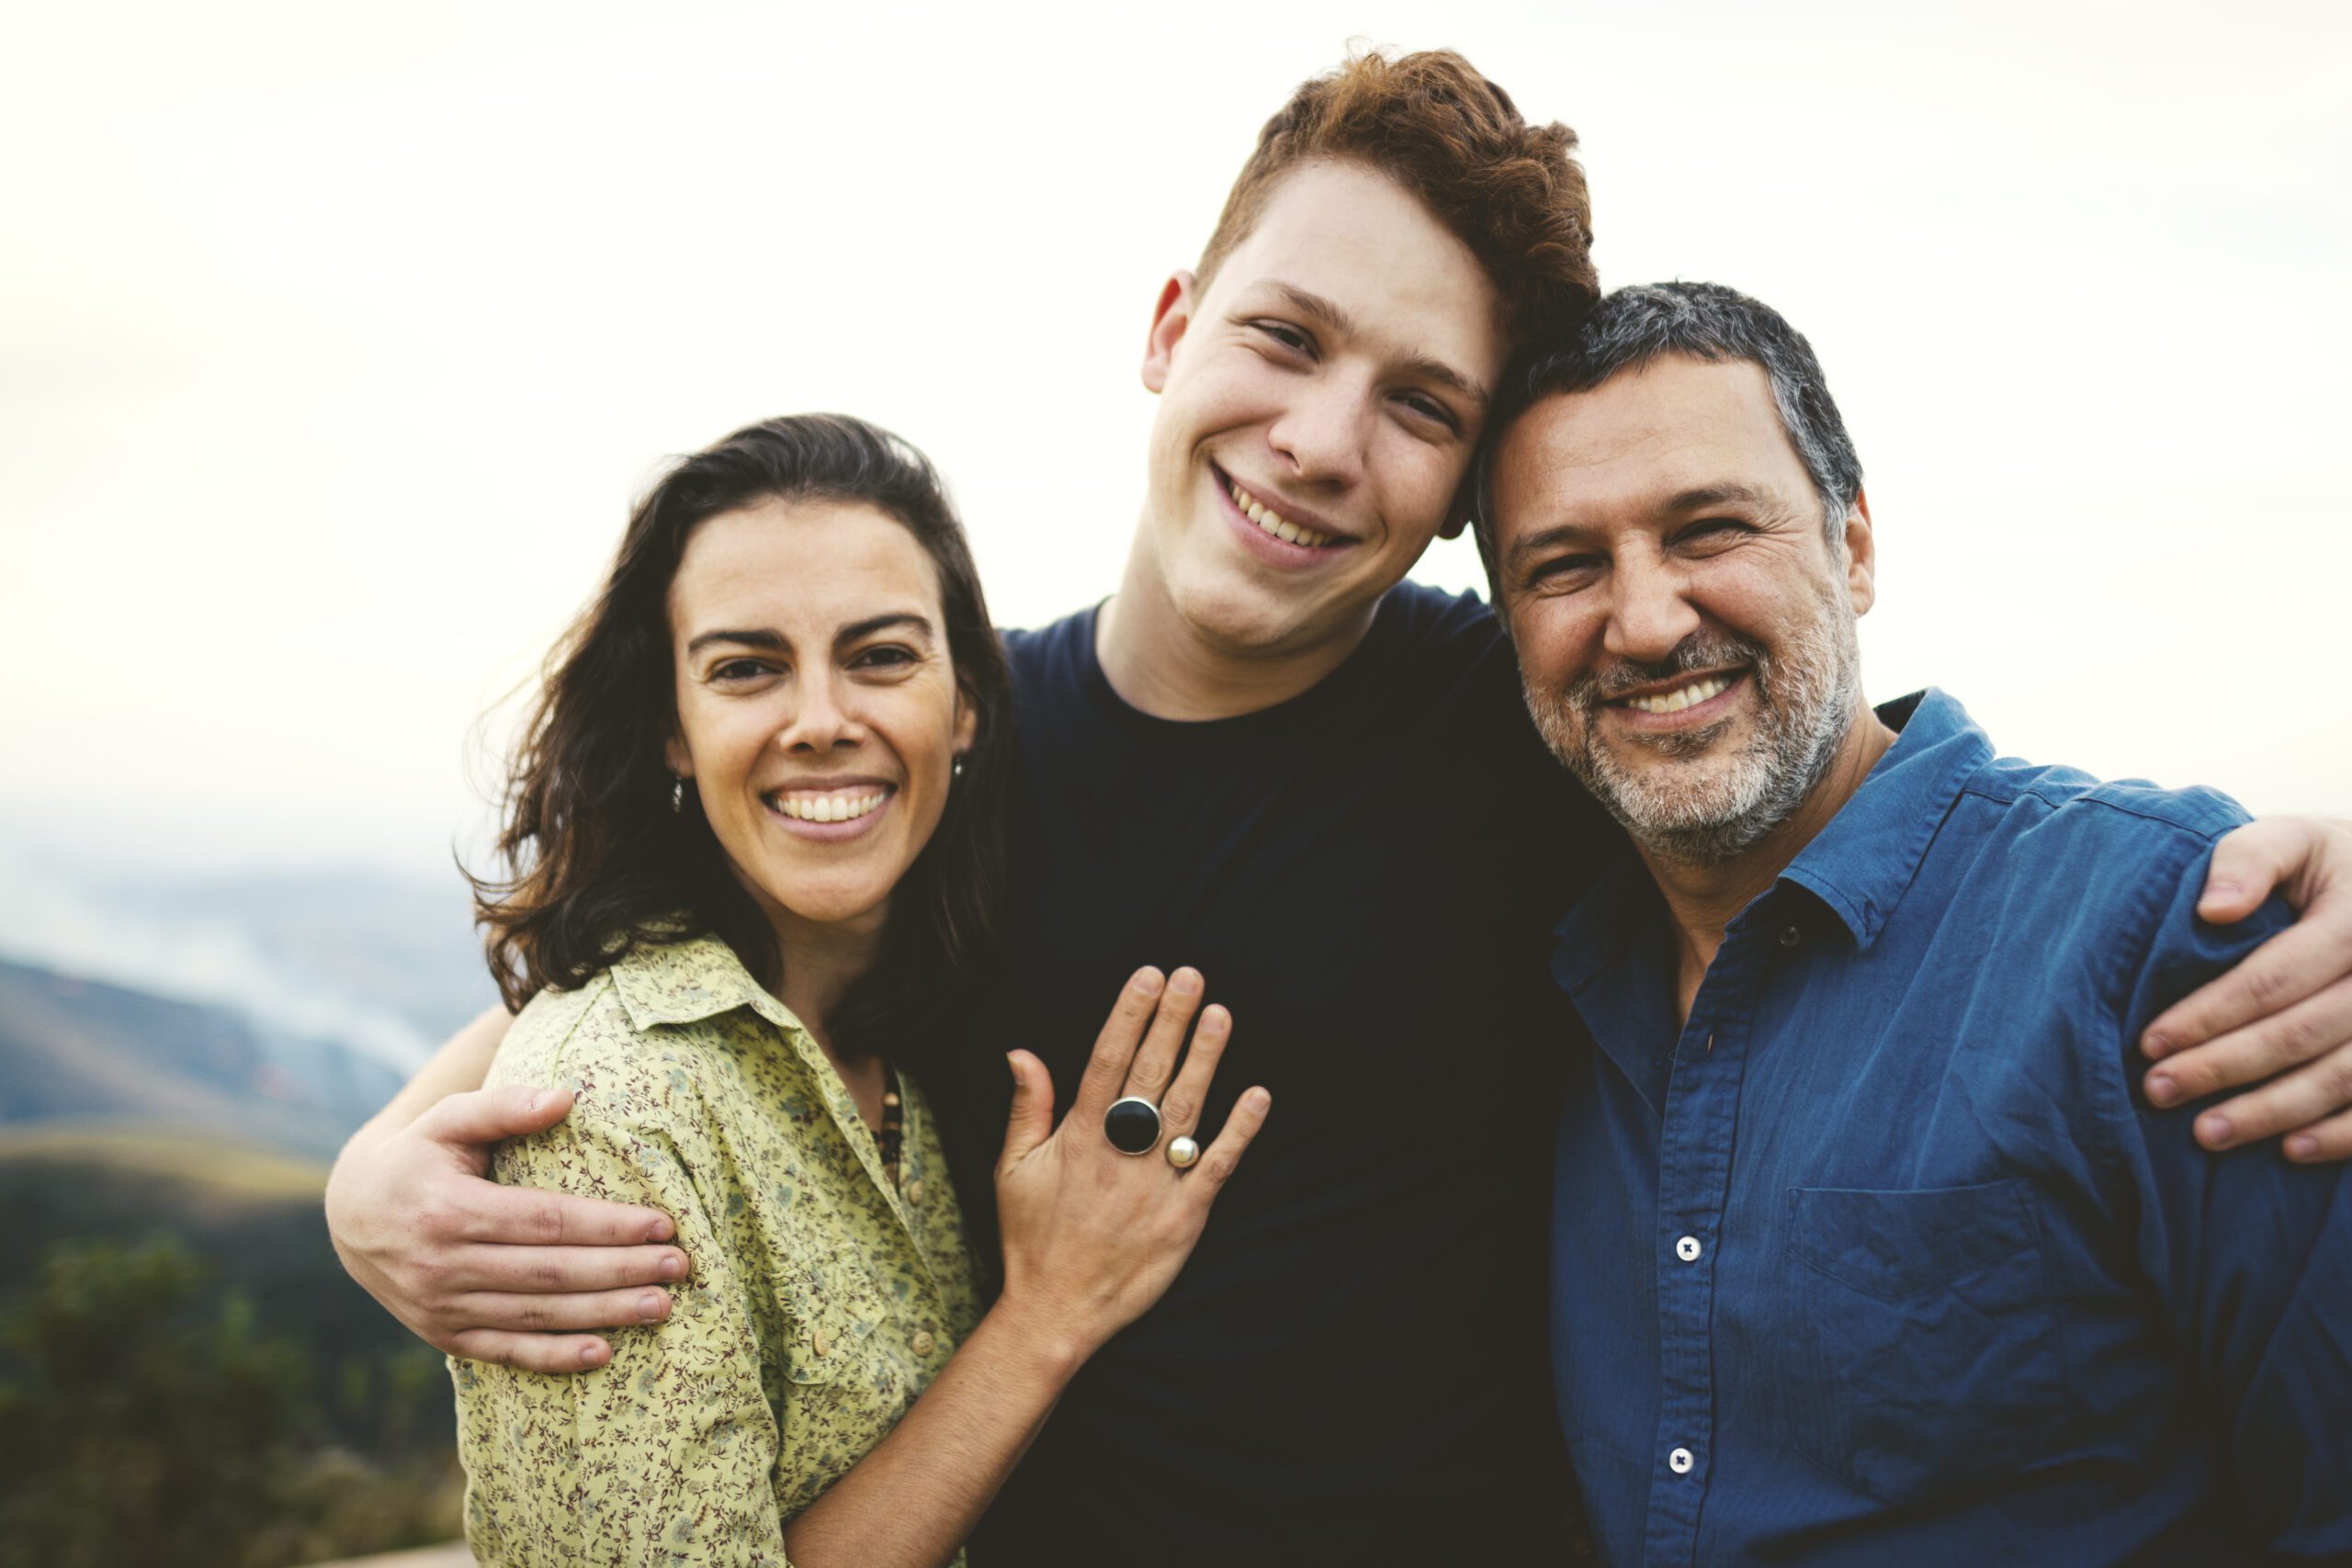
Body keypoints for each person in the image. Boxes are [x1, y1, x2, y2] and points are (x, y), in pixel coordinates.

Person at [328, 51, 2352, 1565]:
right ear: (1163, 329)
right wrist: (380, 1166)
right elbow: (685, 979)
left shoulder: (1534, 709)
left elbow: (1843, 786)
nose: (1316, 441)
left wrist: (2282, 885)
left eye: (1416, 403)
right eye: (1283, 340)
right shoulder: (949, 751)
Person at [1481, 282, 2349, 1563]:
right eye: (1565, 564)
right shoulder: (1526, 977)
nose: (1648, 619)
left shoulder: (2171, 940)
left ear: (1855, 547)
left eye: (1709, 529)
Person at [449, 412, 1270, 1566]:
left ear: (967, 704)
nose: (823, 722)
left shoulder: (903, 1022)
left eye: (881, 655)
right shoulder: (615, 1109)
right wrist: (1047, 1312)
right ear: (672, 732)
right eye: (746, 668)